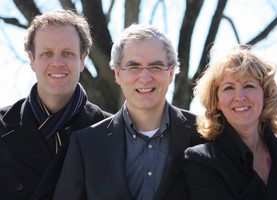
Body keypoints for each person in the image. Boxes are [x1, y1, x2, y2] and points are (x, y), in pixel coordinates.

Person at [53, 23, 206, 200]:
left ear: (171, 73)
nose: (145, 77)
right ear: (118, 74)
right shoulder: (86, 144)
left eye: (156, 67)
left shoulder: (203, 134)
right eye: (134, 67)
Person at [0, 10, 111, 200]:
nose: (57, 63)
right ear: (32, 59)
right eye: (47, 53)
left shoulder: (113, 132)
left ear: (82, 59)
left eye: (67, 53)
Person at [183, 45, 277, 200]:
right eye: (228, 88)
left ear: (265, 94)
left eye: (249, 85)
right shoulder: (201, 161)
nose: (239, 96)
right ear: (216, 100)